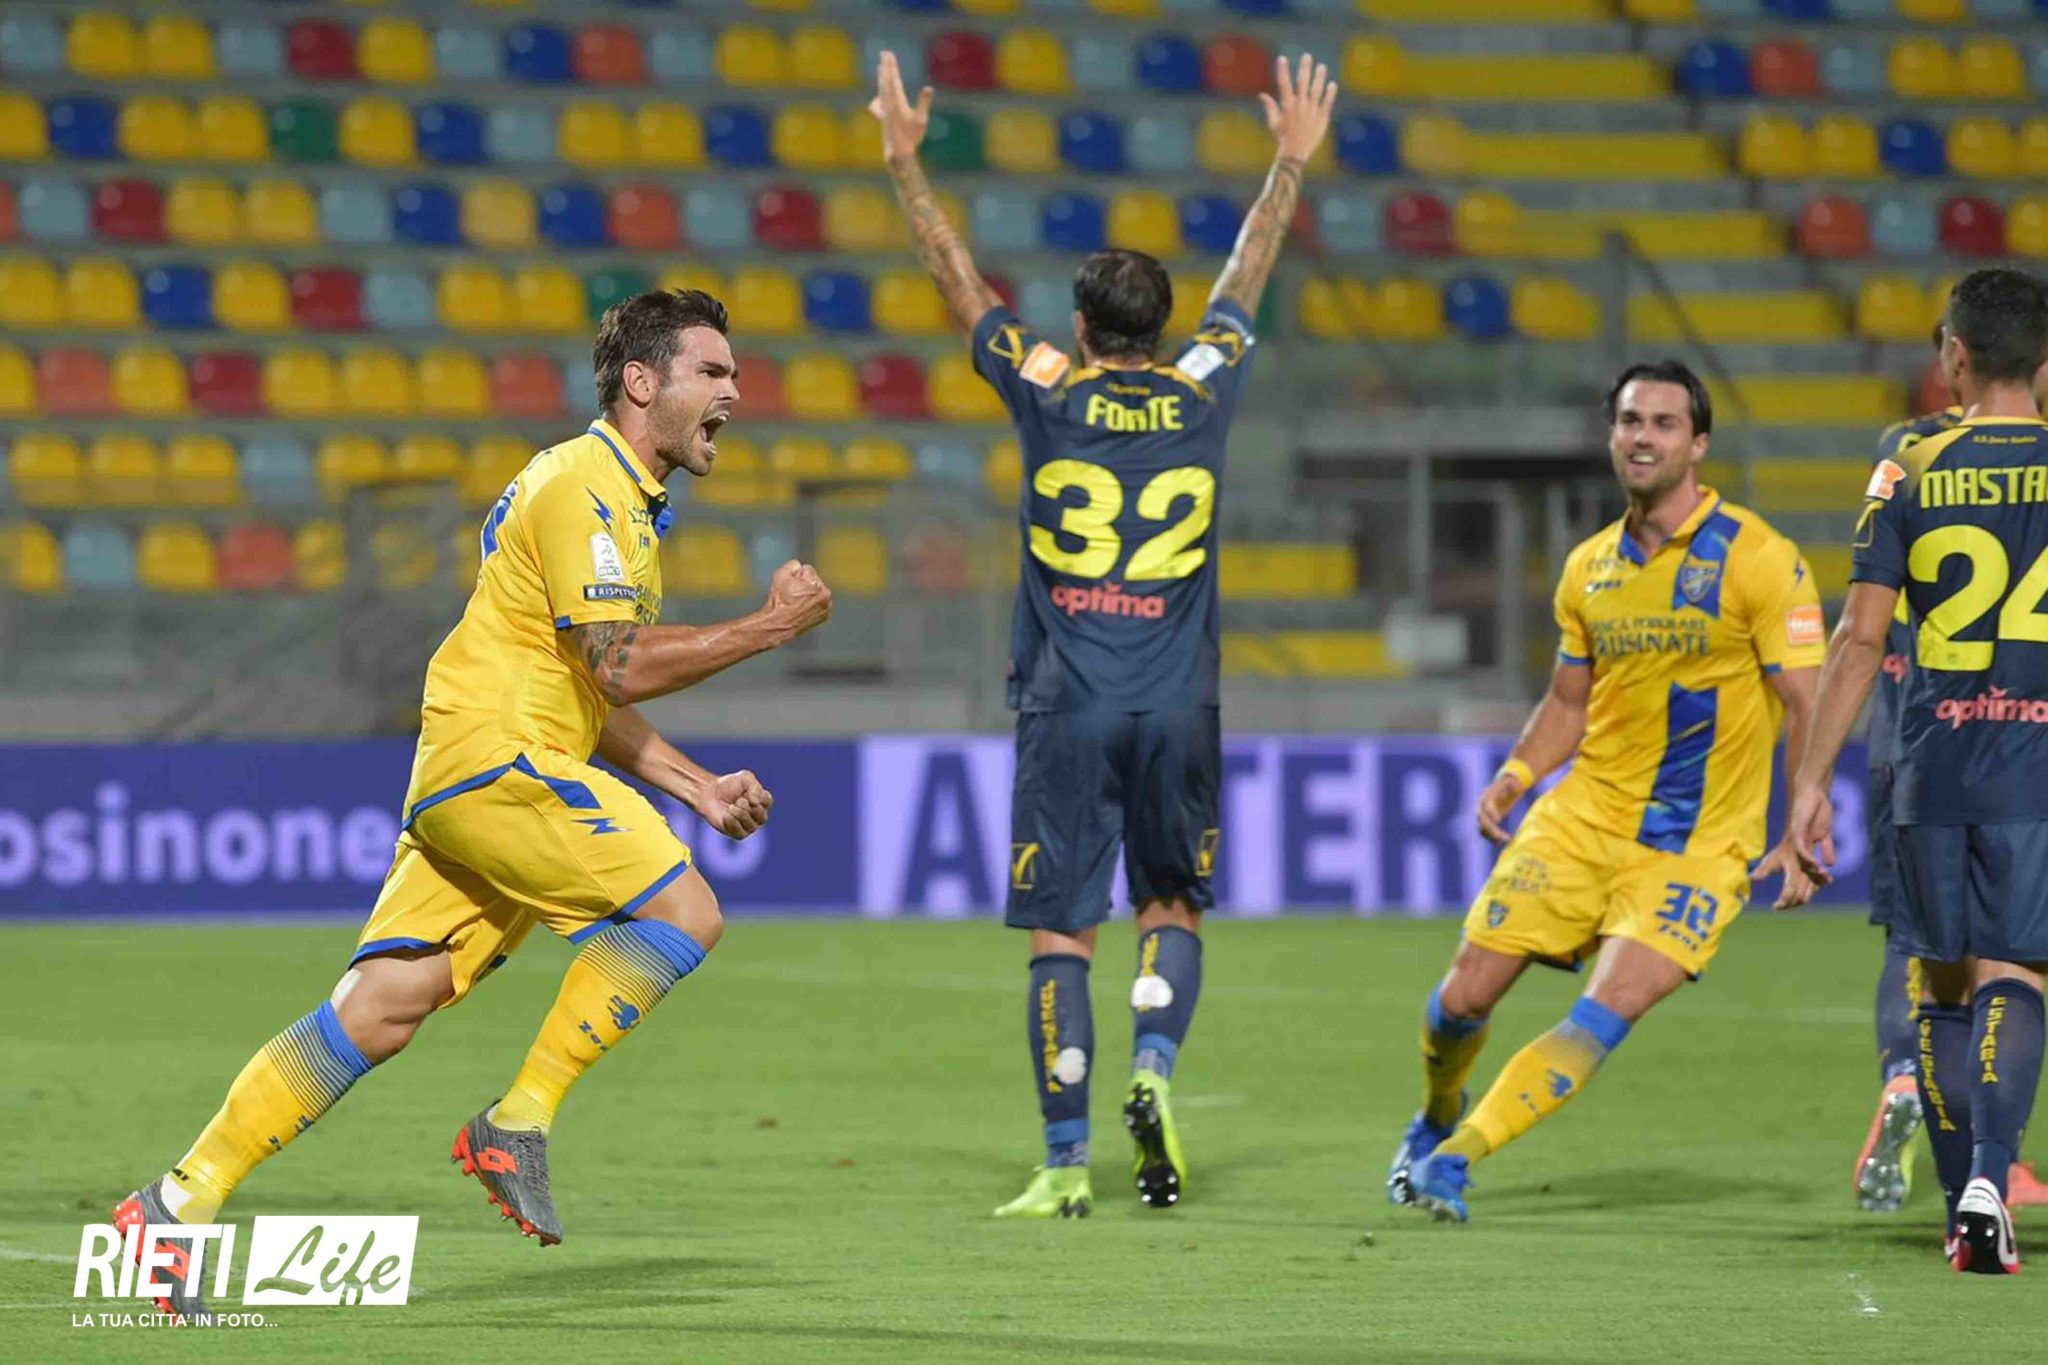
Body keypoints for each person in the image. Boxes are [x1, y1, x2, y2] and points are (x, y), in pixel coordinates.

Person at [110, 289, 833, 1322]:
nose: (735, 392)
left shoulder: (617, 500)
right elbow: (617, 666)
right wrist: (769, 625)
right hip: (502, 759)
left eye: (735, 374)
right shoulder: (586, 485)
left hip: (475, 764)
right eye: (712, 372)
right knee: (686, 912)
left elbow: (586, 683)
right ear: (642, 382)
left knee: (381, 1008)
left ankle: (174, 1204)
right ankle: (518, 1121)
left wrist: (694, 784)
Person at [870, 51, 1335, 1217]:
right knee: (1169, 908)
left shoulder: (1045, 384)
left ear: (1080, 327)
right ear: (1160, 328)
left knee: (1061, 934)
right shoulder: (1203, 387)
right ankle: (1154, 1066)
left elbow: (956, 281)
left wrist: (903, 164)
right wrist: (1287, 161)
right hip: (1178, 702)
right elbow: (1247, 277)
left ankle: (1065, 1164)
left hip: (1066, 703)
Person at [1391, 360, 1825, 1223]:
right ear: (1611, 435)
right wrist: (1517, 773)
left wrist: (1808, 811)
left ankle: (1456, 1156)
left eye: (1664, 423)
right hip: (1582, 819)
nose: (1643, 436)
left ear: (1698, 444)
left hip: (1698, 846)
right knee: (1462, 999)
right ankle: (1437, 1111)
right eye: (1630, 420)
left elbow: (1808, 701)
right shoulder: (1588, 567)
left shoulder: (1761, 559)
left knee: (1607, 1008)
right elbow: (1567, 702)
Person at [1780, 267, 2048, 1274]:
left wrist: (1809, 785)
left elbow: (1859, 639)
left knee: (1938, 987)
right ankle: (1989, 1181)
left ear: (1954, 356)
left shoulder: (1905, 467)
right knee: (2013, 974)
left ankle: (1955, 1210)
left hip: (1929, 765)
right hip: (2034, 763)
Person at [1852, 326, 1962, 1214]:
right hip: (2009, 740)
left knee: (1909, 943)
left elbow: (1862, 619)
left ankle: (1902, 1074)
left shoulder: (1903, 456)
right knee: (2007, 960)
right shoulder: (2034, 463)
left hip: (1901, 741)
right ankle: (1991, 1148)